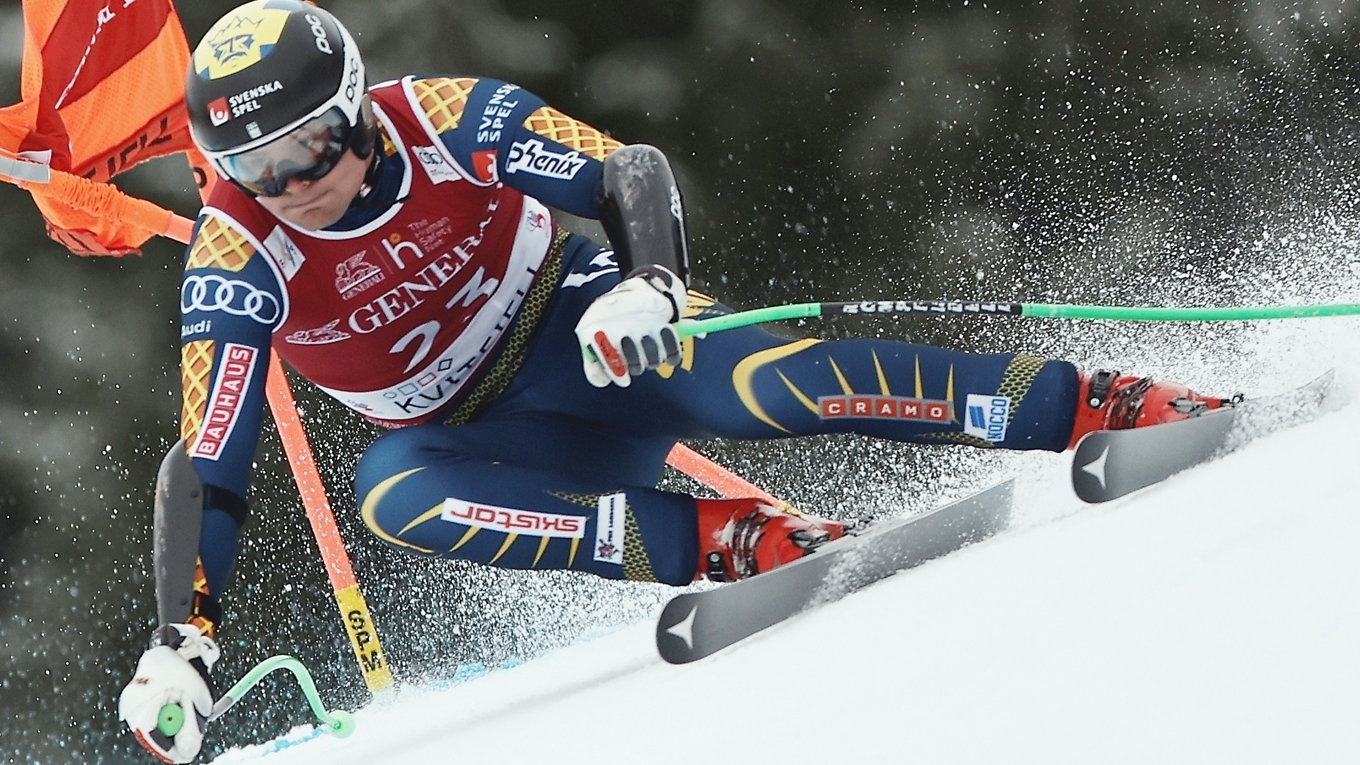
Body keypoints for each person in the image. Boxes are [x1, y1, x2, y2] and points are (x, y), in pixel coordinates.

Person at [117, 1, 1231, 761]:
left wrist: (645, 283)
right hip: (491, 437)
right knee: (395, 494)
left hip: (590, 340)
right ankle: (730, 543)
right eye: (254, 170)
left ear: (356, 111)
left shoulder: (442, 118)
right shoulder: (236, 252)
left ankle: (1086, 403)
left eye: (305, 149)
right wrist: (185, 637)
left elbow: (623, 169)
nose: (288, 187)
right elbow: (207, 452)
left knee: (756, 386)